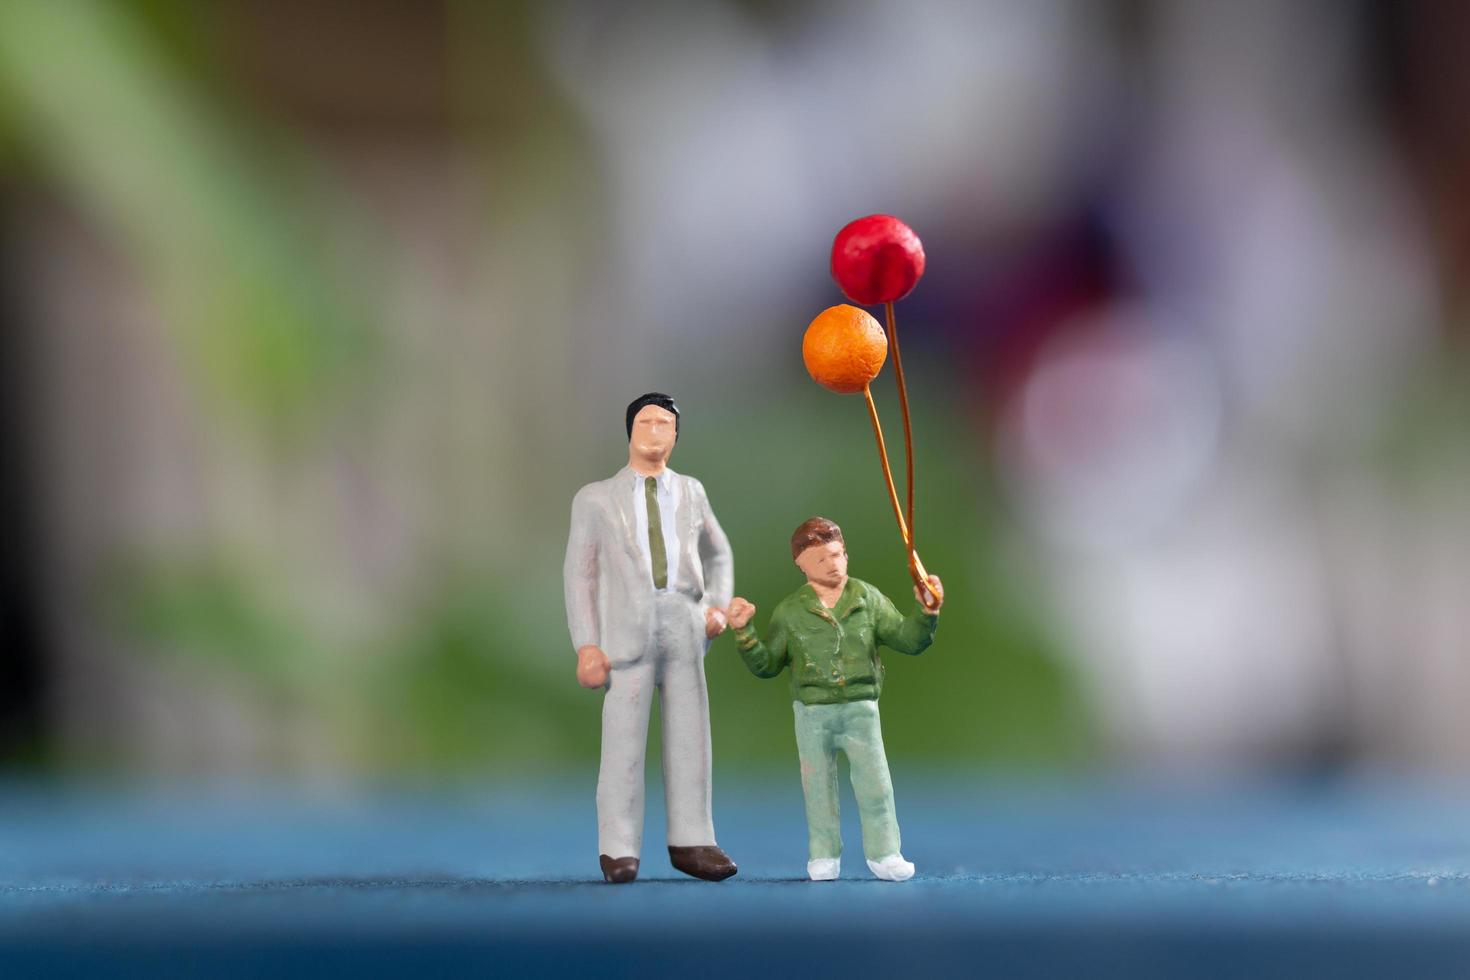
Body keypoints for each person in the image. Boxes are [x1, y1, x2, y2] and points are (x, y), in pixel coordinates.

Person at [563, 393, 738, 884]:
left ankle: (692, 840)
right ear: (630, 430)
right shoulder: (595, 498)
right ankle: (617, 848)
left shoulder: (692, 491)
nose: (656, 431)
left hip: (683, 620)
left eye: (665, 424)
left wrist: (716, 608)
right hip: (626, 630)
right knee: (622, 744)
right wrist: (587, 644)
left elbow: (718, 553)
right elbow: (580, 575)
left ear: (676, 436)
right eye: (647, 422)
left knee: (691, 737)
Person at [726, 517, 942, 882]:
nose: (834, 564)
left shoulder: (867, 599)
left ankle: (885, 853)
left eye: (838, 554)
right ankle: (823, 855)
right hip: (812, 712)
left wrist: (926, 612)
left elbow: (908, 639)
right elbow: (766, 664)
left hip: (861, 707)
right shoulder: (790, 613)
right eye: (822, 559)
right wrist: (744, 632)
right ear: (801, 565)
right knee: (818, 789)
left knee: (877, 786)